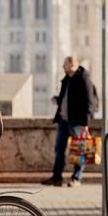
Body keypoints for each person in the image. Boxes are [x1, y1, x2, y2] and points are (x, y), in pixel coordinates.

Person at [42, 56, 97, 187]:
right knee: (59, 149)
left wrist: (85, 123)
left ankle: (76, 178)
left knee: (79, 150)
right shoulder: (67, 78)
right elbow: (65, 98)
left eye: (65, 64)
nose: (63, 67)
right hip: (64, 120)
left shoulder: (83, 77)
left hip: (77, 121)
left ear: (72, 64)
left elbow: (89, 101)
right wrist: (57, 99)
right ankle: (57, 177)